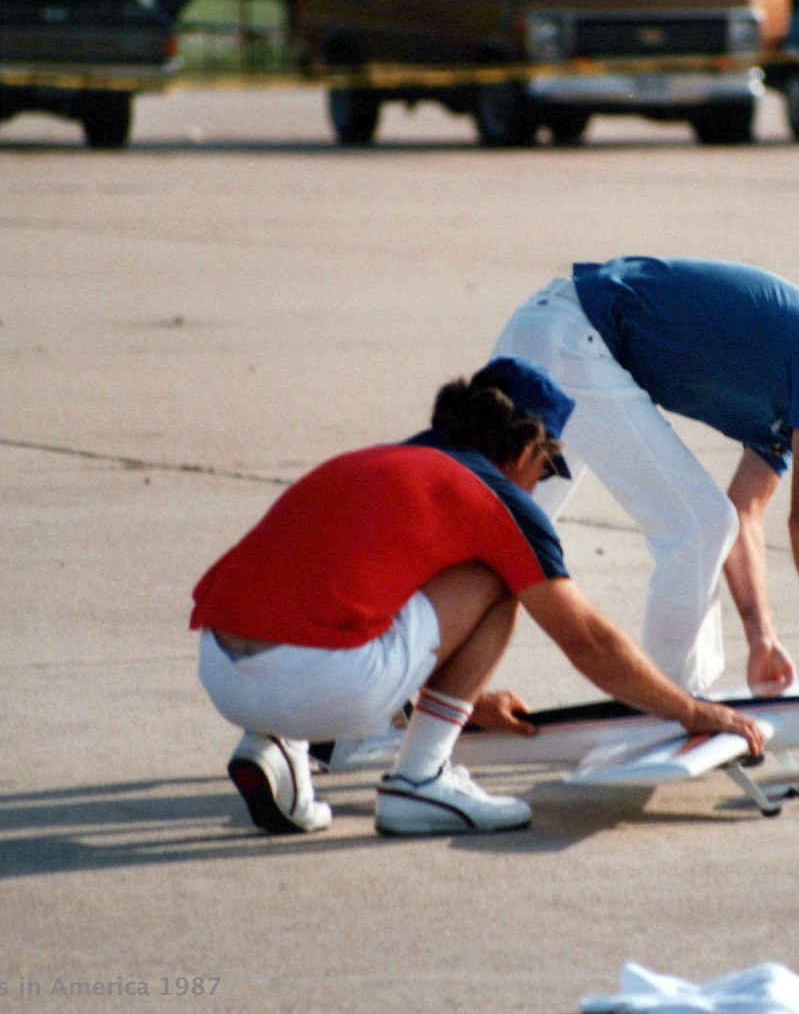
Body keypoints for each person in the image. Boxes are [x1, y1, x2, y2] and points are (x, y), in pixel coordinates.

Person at [190, 357, 765, 837]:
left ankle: (279, 745)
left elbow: (338, 603)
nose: (541, 484)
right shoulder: (500, 500)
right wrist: (693, 711)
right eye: (547, 466)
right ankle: (419, 779)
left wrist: (450, 697)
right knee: (502, 573)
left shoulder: (375, 462)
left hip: (222, 672)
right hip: (319, 685)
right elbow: (588, 643)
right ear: (526, 450)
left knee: (325, 589)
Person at [492, 257, 799, 697]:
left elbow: (745, 516)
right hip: (572, 339)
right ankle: (670, 705)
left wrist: (761, 636)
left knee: (503, 544)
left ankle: (422, 691)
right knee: (696, 525)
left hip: (551, 332)